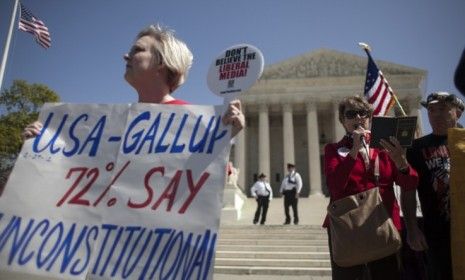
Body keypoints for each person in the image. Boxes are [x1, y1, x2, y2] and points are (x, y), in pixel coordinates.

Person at [22, 24, 244, 140]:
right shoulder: (111, 121)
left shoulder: (193, 119)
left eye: (136, 50)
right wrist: (41, 147)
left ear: (162, 63)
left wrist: (224, 137)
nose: (125, 56)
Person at [323, 96, 420, 280]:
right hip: (347, 228)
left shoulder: (386, 150)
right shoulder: (333, 150)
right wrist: (353, 151)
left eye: (364, 113)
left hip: (383, 225)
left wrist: (401, 162)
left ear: (370, 118)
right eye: (351, 114)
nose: (358, 117)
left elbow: (409, 183)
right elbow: (335, 187)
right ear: (342, 121)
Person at [405, 92, 464, 280]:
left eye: (443, 109)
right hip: (436, 234)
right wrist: (412, 228)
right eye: (431, 110)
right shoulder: (416, 148)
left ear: (458, 113)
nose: (436, 115)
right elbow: (408, 190)